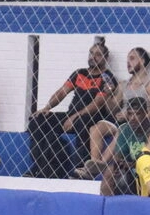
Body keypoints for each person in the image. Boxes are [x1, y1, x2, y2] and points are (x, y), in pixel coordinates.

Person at [27, 40, 117, 178]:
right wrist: (46, 108)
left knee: (81, 121)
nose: (93, 57)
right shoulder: (79, 73)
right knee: (37, 121)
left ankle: (81, 169)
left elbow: (98, 104)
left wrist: (75, 116)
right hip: (72, 115)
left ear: (105, 58)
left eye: (98, 55)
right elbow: (62, 92)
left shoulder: (107, 77)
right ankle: (39, 166)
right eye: (91, 53)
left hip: (92, 117)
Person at [82, 47, 150, 174]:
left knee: (123, 129)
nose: (127, 62)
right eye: (127, 59)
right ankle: (94, 164)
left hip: (140, 124)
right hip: (121, 121)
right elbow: (112, 109)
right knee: (96, 129)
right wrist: (108, 94)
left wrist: (132, 116)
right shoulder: (124, 84)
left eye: (132, 58)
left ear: (142, 61)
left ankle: (102, 165)